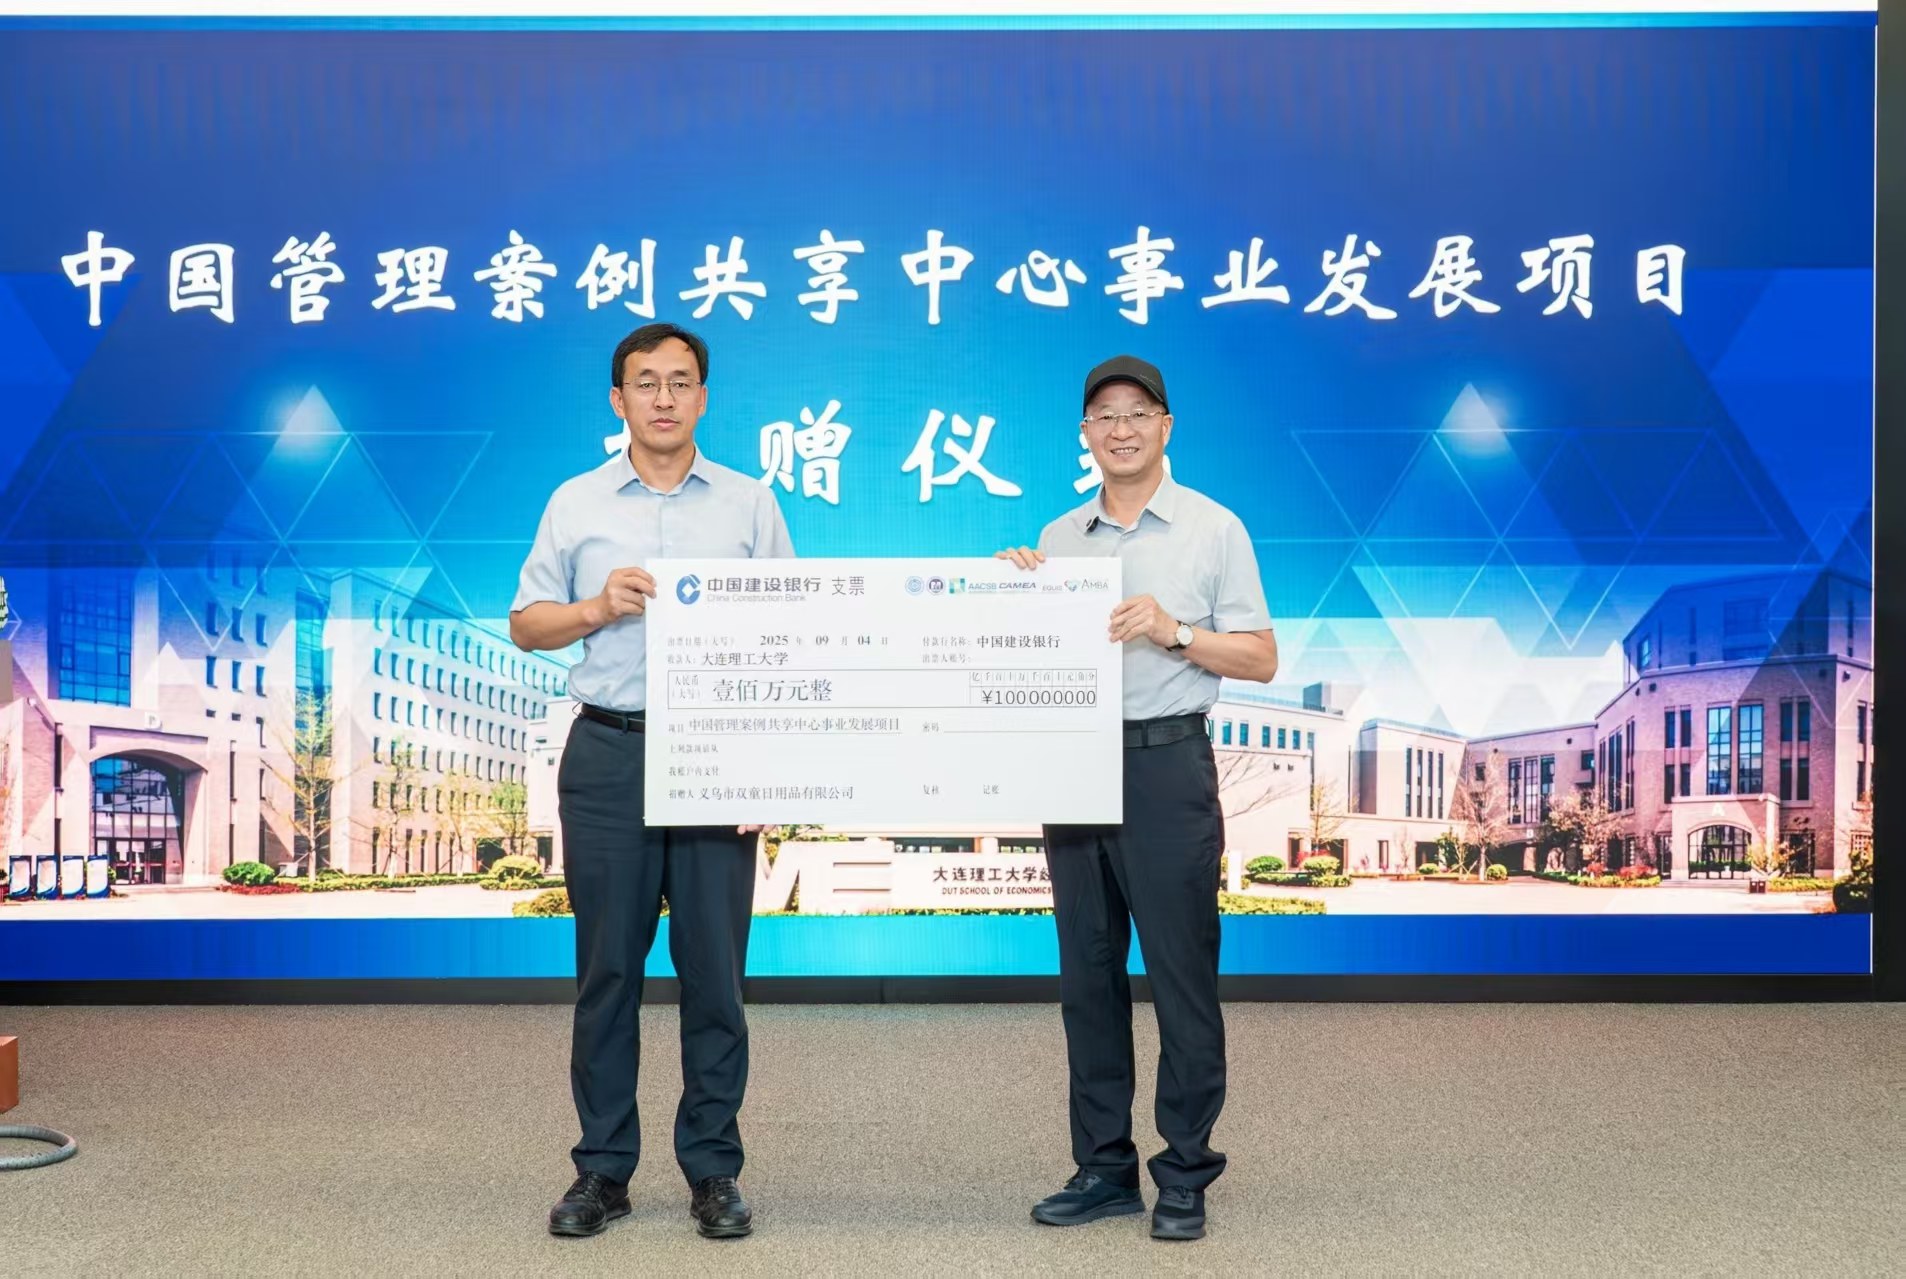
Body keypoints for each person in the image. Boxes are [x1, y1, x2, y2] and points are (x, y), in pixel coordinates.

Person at [511, 322, 793, 1240]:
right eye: (646, 381)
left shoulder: (749, 504)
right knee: (608, 973)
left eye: (680, 381)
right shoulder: (576, 501)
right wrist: (596, 607)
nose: (663, 397)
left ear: (703, 397)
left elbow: (792, 633)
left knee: (715, 975)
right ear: (618, 398)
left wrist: (768, 766)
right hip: (610, 752)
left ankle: (714, 1169)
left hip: (718, 753)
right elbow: (526, 623)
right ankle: (602, 1168)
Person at [998, 355, 1278, 1243]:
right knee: (1087, 975)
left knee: (1179, 974)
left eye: (1138, 412)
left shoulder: (1213, 528)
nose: (1121, 428)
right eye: (1104, 415)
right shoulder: (1060, 535)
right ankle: (1104, 1166)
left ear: (1166, 426)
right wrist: (1009, 594)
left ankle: (1185, 1170)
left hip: (1165, 764)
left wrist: (1175, 629)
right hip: (1073, 765)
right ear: (1085, 433)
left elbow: (1261, 657)